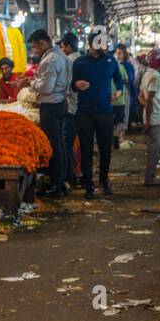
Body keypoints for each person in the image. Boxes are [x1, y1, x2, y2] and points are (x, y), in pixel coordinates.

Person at [72, 35, 123, 198]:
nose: (102, 47)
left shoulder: (110, 61)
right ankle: (88, 186)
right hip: (84, 112)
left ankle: (104, 182)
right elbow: (72, 85)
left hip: (105, 112)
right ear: (90, 44)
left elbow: (118, 78)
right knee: (86, 150)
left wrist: (119, 90)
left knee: (105, 149)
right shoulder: (79, 62)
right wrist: (76, 85)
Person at [30, 29, 69, 198]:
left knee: (54, 146)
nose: (34, 51)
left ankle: (56, 184)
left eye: (35, 47)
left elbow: (46, 87)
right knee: (58, 144)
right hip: (59, 103)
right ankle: (60, 181)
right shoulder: (61, 57)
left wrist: (32, 84)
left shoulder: (51, 60)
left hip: (51, 106)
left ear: (43, 43)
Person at [138, 51, 160, 187]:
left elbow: (141, 97)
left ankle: (150, 177)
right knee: (155, 149)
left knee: (153, 148)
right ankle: (150, 178)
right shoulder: (155, 77)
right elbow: (149, 99)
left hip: (152, 116)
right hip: (155, 118)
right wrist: (149, 119)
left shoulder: (147, 74)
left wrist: (148, 109)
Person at [59, 33, 82, 191]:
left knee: (66, 144)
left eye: (62, 46)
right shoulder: (82, 59)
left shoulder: (69, 61)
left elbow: (65, 85)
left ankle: (69, 177)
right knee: (80, 145)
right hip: (83, 107)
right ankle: (78, 175)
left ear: (68, 46)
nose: (61, 49)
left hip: (71, 107)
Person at [112, 44, 133, 147]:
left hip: (125, 94)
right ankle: (117, 138)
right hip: (115, 95)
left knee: (123, 116)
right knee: (117, 118)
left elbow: (130, 80)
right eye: (117, 52)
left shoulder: (127, 65)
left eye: (120, 52)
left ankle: (121, 138)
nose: (118, 54)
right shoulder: (116, 65)